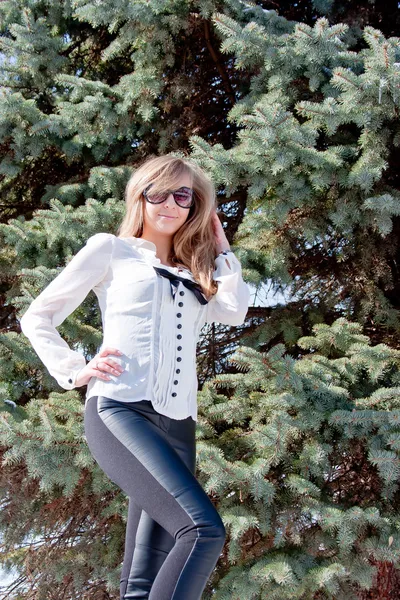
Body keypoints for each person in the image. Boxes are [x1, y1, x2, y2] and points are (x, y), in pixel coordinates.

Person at [20, 154, 251, 600]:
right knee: (202, 531)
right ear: (140, 198)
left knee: (144, 578)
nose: (170, 203)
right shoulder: (111, 249)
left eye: (182, 195)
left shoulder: (196, 273)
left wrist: (222, 251)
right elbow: (38, 316)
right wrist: (75, 370)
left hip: (178, 424)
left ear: (194, 204)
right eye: (157, 193)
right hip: (121, 410)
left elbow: (234, 310)